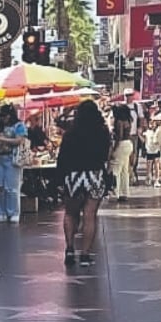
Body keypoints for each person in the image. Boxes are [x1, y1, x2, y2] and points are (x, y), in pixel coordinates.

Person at [57, 100, 112, 266]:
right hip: (94, 175)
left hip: (73, 176)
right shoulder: (102, 132)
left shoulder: (70, 133)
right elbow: (106, 155)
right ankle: (85, 254)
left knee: (70, 213)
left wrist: (60, 179)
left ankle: (69, 249)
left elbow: (62, 157)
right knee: (90, 215)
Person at [0, 103, 27, 223]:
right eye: (1, 116)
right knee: (0, 187)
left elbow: (19, 140)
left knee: (12, 187)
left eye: (5, 116)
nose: (3, 118)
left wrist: (0, 138)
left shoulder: (19, 126)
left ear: (10, 115)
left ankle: (14, 212)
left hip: (12, 158)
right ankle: (1, 212)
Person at [109, 99, 134, 202]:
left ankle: (116, 193)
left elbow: (119, 136)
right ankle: (125, 192)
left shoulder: (119, 122)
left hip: (121, 144)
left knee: (116, 169)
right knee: (124, 170)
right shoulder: (128, 121)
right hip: (128, 144)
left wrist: (113, 150)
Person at [141, 110, 161, 190]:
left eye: (153, 123)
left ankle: (156, 180)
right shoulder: (147, 132)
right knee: (149, 165)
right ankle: (148, 178)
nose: (152, 125)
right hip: (149, 150)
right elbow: (144, 140)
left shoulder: (158, 131)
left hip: (156, 150)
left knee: (156, 165)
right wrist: (139, 135)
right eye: (150, 123)